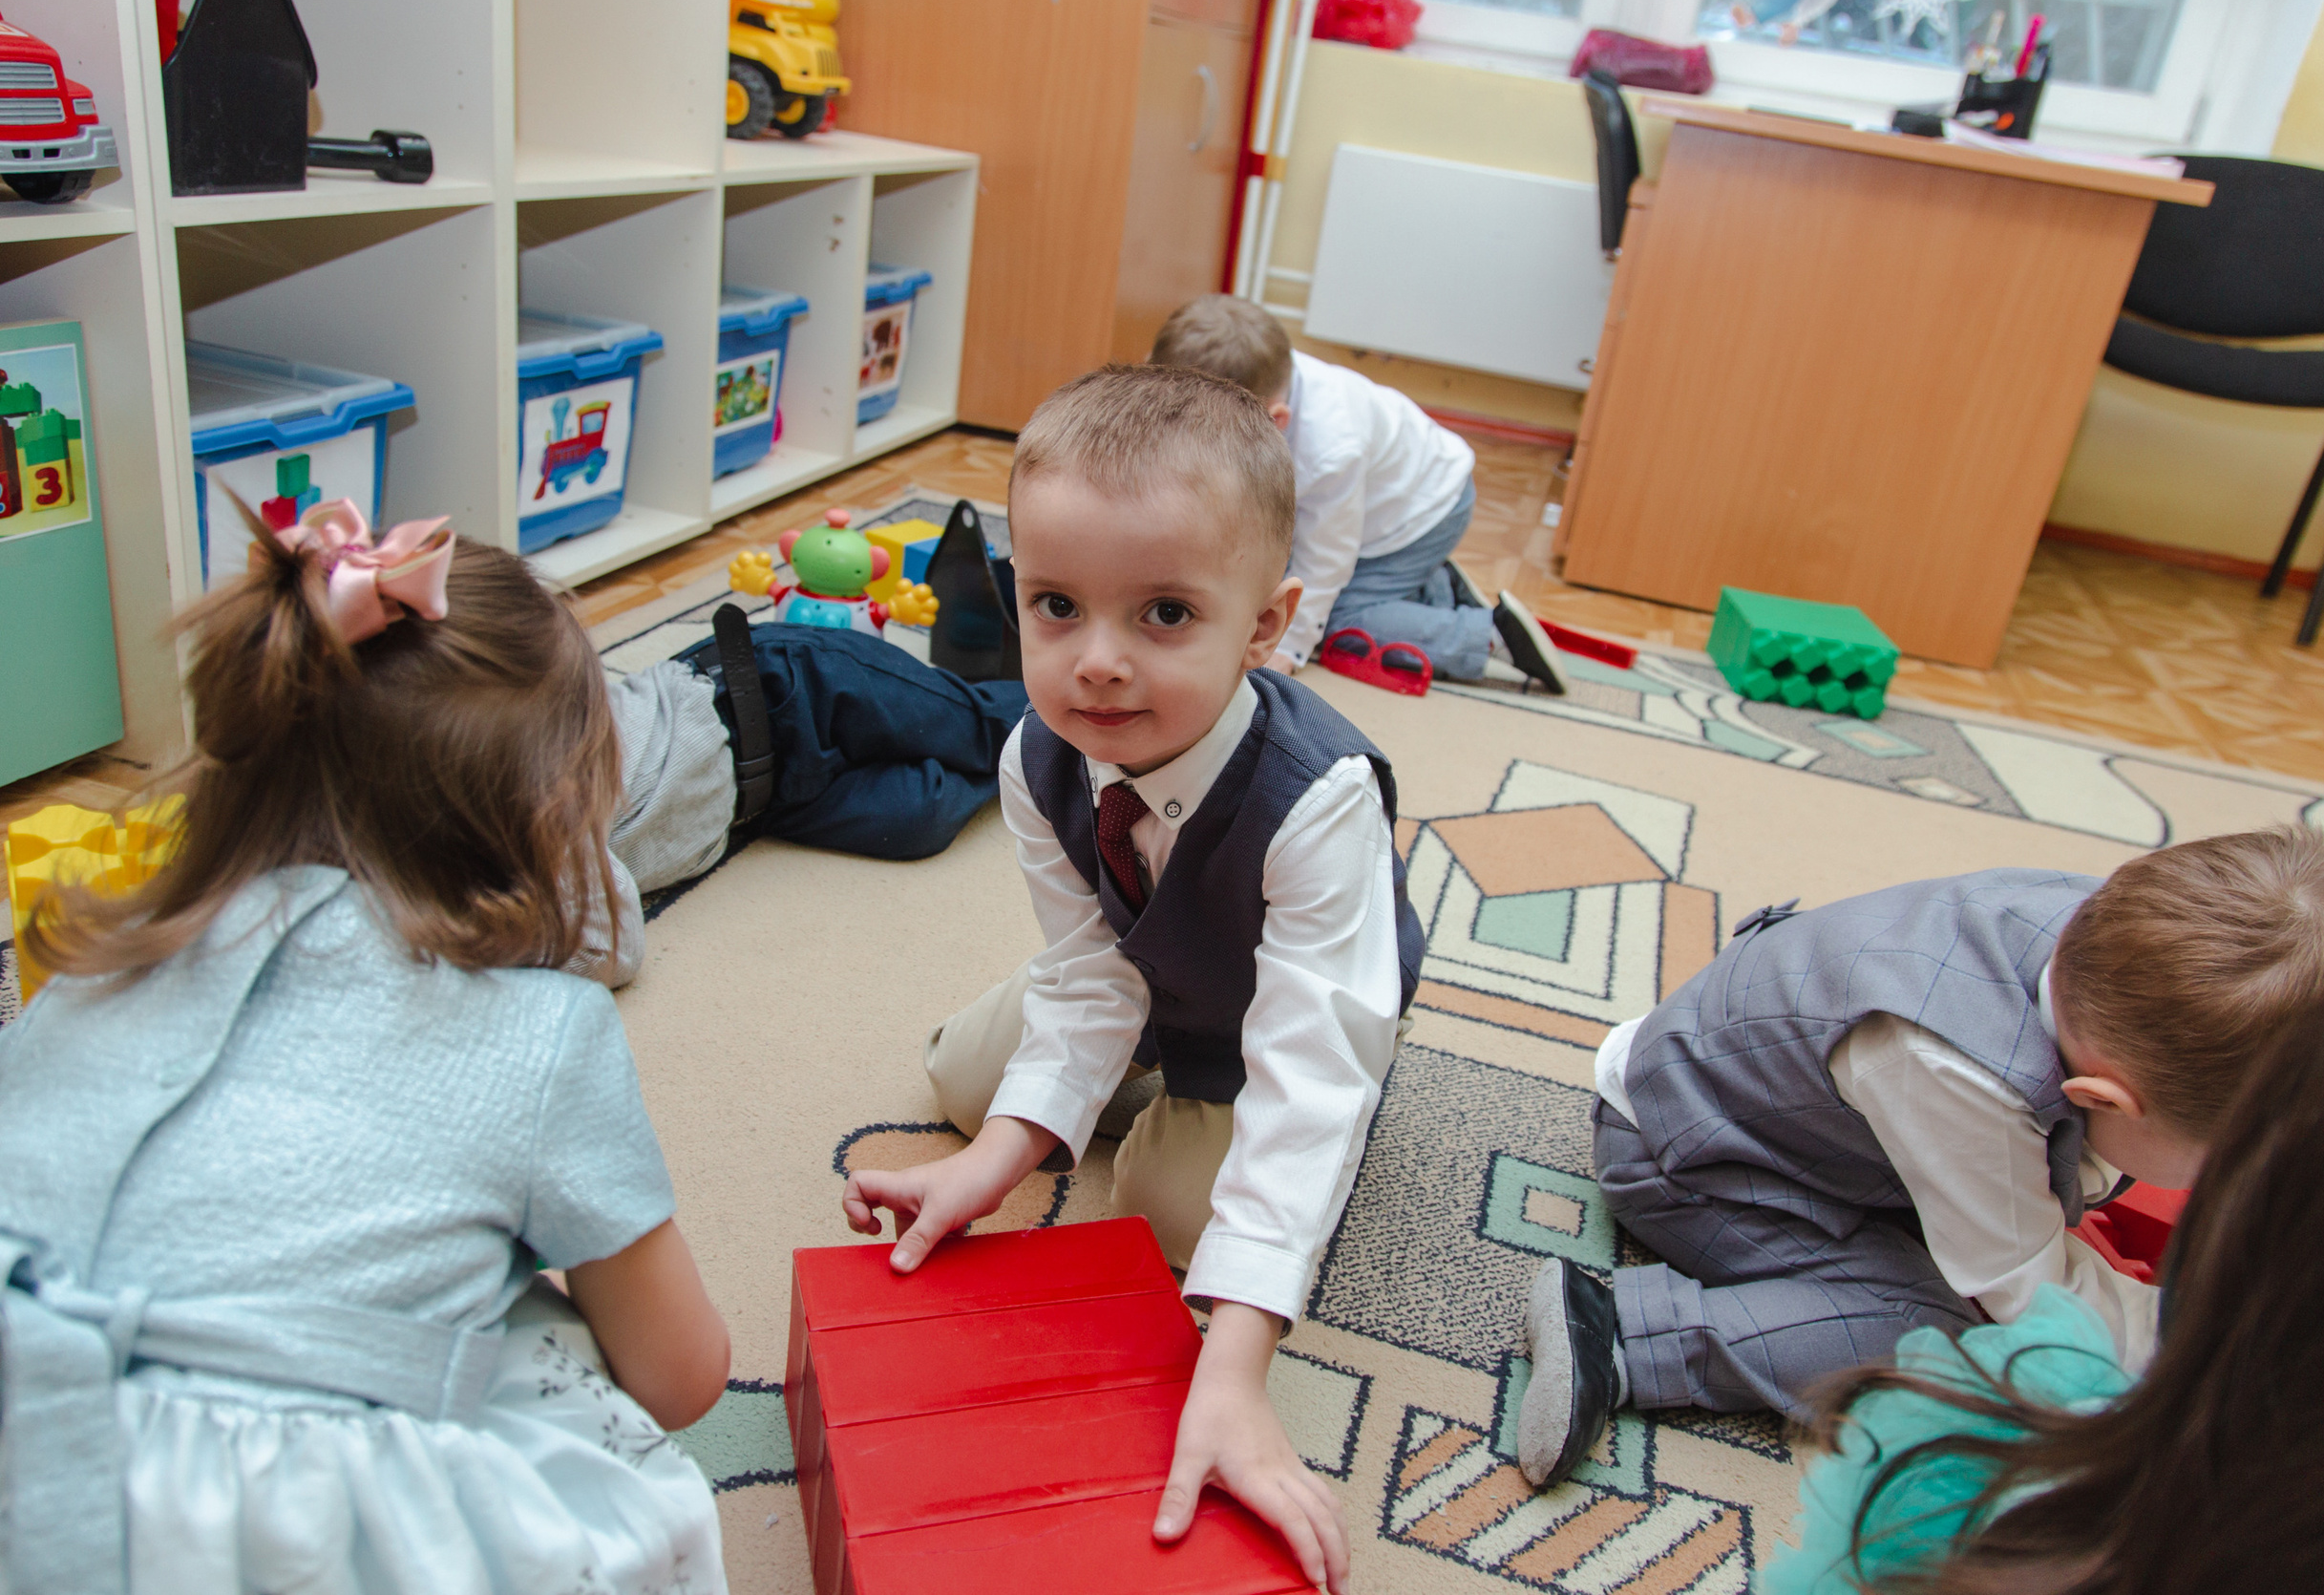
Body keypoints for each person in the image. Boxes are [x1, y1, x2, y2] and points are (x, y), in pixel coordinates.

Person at [0, 502, 731, 1593]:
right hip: (256, 1528)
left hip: (29, 1436)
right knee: (566, 1393)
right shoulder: (543, 1036)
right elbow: (679, 1374)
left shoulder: (91, 974)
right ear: (550, 821)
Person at [839, 365, 1426, 1595]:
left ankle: (1178, 1120)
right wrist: (997, 1163)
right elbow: (1087, 969)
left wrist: (1234, 1370)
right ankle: (1085, 1109)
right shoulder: (1034, 752)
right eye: (1057, 606)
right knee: (963, 1083)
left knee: (1169, 1211)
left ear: (1265, 625)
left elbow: (1311, 1067)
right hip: (1141, 971)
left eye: (1163, 615)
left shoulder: (1320, 799)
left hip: (1267, 1013)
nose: (1095, 664)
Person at [1513, 828, 2324, 1485]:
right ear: (2105, 1102)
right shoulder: (1953, 1066)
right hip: (1694, 1159)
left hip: (1831, 1122)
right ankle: (1628, 1332)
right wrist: (2195, 1339)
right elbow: (2026, 1298)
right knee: (1951, 1329)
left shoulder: (2129, 937)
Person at [1761, 929, 2324, 1595]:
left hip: (1813, 1187)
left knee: (1912, 1327)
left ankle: (1655, 1333)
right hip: (1749, 1164)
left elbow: (2030, 1291)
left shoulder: (2008, 1471)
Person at [1149, 292, 1572, 695]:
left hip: (1425, 513)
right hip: (1375, 502)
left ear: (1275, 421)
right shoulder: (1251, 373)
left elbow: (1327, 561)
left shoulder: (1331, 449)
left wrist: (1290, 649)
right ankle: (1432, 588)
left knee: (1322, 619)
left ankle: (1489, 636)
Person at [588, 606, 1032, 986]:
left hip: (777, 687)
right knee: (923, 819)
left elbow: (611, 940)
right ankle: (1038, 757)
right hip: (769, 802)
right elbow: (609, 948)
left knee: (981, 727)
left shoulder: (541, 799)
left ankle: (1080, 721)